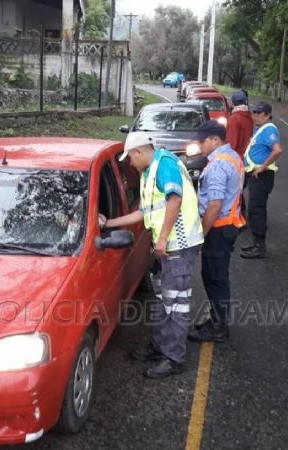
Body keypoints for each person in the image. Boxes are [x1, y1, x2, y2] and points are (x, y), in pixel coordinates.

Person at [100, 132, 203, 379]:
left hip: (178, 244)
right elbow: (143, 214)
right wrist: (108, 223)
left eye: (130, 159)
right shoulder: (149, 173)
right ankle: (160, 347)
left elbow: (174, 200)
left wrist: (164, 237)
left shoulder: (164, 164)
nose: (130, 164)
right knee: (164, 300)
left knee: (175, 304)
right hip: (167, 246)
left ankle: (174, 358)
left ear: (139, 151)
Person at [186, 121, 245, 342]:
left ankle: (219, 328)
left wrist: (201, 233)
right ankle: (216, 320)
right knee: (215, 276)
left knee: (215, 278)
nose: (200, 145)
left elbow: (215, 204)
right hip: (229, 226)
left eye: (202, 141)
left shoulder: (219, 164)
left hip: (219, 229)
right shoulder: (233, 156)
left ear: (215, 140)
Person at [242, 101, 283, 259]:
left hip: (262, 175)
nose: (256, 116)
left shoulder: (269, 129)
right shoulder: (260, 128)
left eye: (259, 113)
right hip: (255, 174)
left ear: (267, 115)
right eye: (254, 113)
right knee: (254, 209)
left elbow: (277, 150)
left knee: (256, 210)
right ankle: (256, 242)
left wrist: (263, 166)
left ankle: (260, 246)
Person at [226, 90, 253, 158]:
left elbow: (232, 144)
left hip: (237, 158)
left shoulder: (234, 119)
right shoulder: (249, 116)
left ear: (232, 103)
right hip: (248, 156)